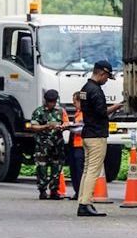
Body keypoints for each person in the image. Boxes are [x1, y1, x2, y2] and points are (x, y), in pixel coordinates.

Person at [77, 61, 123, 217]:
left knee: (86, 169)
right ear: (102, 74)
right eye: (107, 77)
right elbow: (102, 112)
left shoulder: (84, 89)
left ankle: (82, 200)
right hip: (96, 135)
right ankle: (85, 203)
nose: (106, 81)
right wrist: (116, 106)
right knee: (93, 171)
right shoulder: (96, 91)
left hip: (87, 133)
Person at [30, 89, 67, 200]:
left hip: (57, 145)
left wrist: (63, 126)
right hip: (43, 145)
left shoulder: (60, 111)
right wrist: (46, 126)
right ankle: (42, 190)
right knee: (42, 168)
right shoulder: (39, 112)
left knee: (57, 167)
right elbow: (33, 126)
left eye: (54, 102)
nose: (52, 104)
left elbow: (66, 122)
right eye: (50, 102)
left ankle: (54, 190)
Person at [64, 95, 84, 200]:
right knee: (74, 170)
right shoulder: (78, 114)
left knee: (79, 170)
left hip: (81, 146)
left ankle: (81, 192)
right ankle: (77, 192)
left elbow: (81, 129)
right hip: (74, 145)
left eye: (75, 102)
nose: (73, 104)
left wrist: (69, 128)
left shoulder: (85, 114)